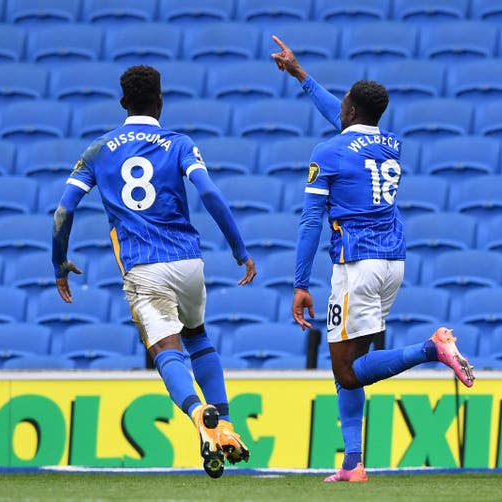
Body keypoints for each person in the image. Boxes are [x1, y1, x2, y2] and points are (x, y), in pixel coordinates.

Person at [271, 36, 475, 483]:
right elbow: (342, 120)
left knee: (345, 370)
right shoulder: (391, 145)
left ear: (349, 112)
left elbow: (310, 223)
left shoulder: (327, 153)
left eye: (342, 105)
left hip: (356, 265)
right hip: (392, 263)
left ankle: (431, 348)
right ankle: (353, 463)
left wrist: (300, 283)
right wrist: (302, 76)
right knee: (352, 362)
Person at [51, 65, 256, 478]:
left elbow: (64, 210)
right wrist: (240, 249)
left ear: (123, 102)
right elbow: (210, 193)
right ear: (160, 100)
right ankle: (227, 425)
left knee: (165, 351)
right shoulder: (179, 143)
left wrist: (59, 261)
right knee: (198, 336)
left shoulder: (98, 150)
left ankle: (200, 415)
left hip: (144, 267)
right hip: (188, 261)